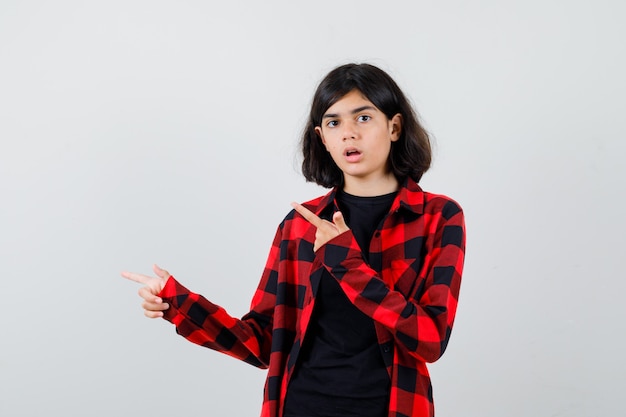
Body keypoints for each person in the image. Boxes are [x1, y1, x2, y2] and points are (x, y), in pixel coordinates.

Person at [122, 63, 466, 417]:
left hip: (392, 407)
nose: (348, 133)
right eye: (334, 123)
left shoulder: (438, 217)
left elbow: (430, 339)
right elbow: (262, 341)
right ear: (322, 138)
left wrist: (346, 264)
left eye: (363, 118)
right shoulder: (300, 225)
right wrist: (178, 303)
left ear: (394, 127)